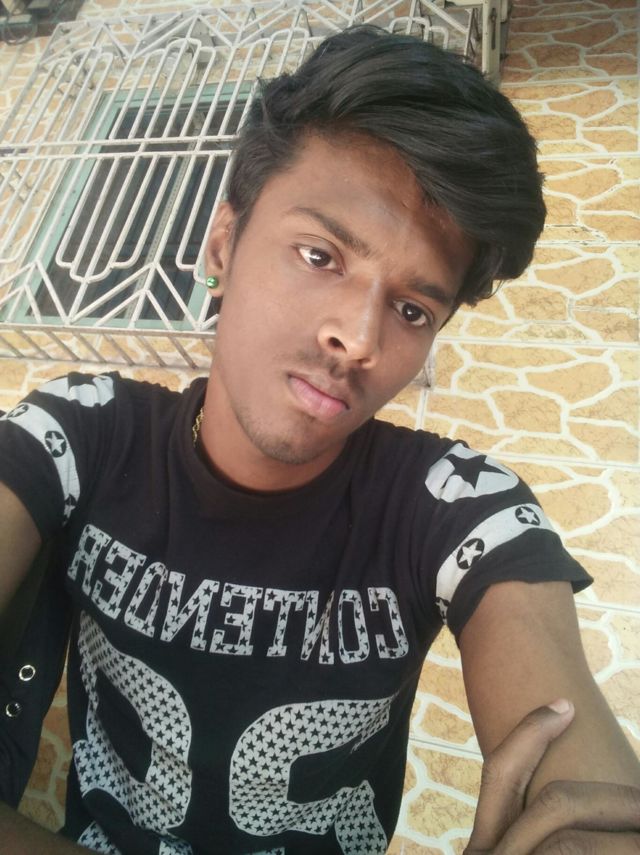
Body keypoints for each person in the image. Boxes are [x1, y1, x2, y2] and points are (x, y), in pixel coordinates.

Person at [0, 24, 638, 855]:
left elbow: (582, 781)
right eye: (319, 254)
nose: (359, 339)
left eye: (411, 308)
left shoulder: (451, 508)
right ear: (222, 245)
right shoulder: (79, 436)